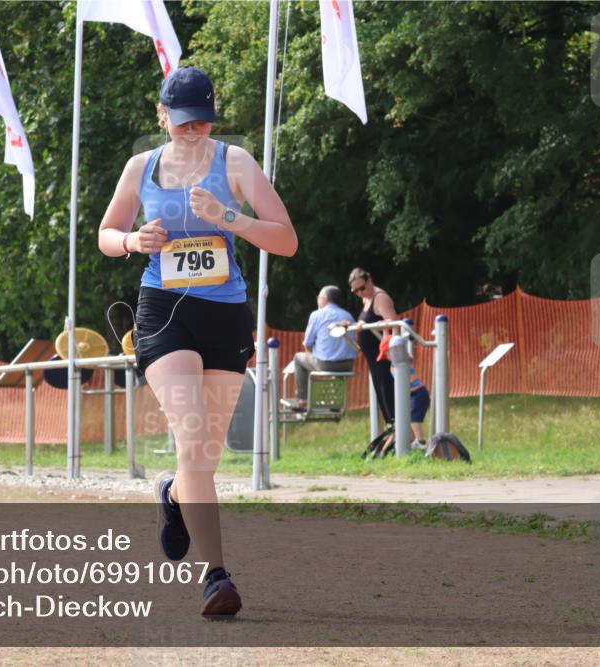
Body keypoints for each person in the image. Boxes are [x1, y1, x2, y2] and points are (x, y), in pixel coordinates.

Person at [97, 66, 297, 617]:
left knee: (203, 456)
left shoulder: (235, 163)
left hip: (225, 314)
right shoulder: (141, 168)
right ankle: (217, 577)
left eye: (201, 123)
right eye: (182, 124)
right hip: (163, 310)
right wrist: (135, 240)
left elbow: (286, 239)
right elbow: (105, 235)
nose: (192, 133)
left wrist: (229, 217)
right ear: (162, 117)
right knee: (192, 439)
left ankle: (172, 494)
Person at [286, 285, 356, 410]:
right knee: (337, 355)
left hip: (326, 364)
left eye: (318, 297)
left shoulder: (317, 315)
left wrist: (313, 361)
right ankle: (335, 400)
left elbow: (307, 343)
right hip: (348, 364)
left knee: (298, 358)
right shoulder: (348, 316)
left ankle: (302, 400)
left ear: (324, 298)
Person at [347, 268, 398, 423]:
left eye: (362, 288)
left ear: (369, 279)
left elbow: (394, 324)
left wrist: (394, 355)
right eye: (355, 291)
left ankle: (401, 433)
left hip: (383, 357)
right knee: (382, 396)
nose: (360, 293)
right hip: (374, 358)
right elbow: (370, 321)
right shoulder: (366, 299)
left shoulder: (380, 298)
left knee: (389, 395)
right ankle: (393, 431)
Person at [378, 333, 431, 448]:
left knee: (413, 418)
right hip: (413, 394)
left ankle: (420, 440)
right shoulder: (395, 365)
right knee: (408, 418)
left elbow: (408, 358)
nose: (386, 357)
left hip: (418, 393)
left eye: (386, 354)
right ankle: (411, 439)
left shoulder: (404, 361)